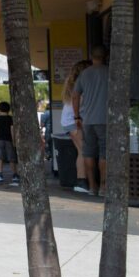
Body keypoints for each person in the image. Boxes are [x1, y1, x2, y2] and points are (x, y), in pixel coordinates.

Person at [72, 46, 109, 196]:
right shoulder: (109, 71)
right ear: (105, 56)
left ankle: (92, 187)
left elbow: (75, 95)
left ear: (91, 56)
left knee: (88, 153)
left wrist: (76, 117)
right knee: (104, 154)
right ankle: (103, 187)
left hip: (87, 120)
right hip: (105, 119)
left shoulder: (84, 74)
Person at [61, 59, 92, 193]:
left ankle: (82, 182)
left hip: (69, 121)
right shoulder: (82, 84)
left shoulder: (71, 82)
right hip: (74, 121)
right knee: (84, 151)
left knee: (82, 151)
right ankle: (82, 182)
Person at [0, 101, 18, 185]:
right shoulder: (10, 118)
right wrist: (14, 141)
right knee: (12, 158)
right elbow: (12, 129)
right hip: (9, 140)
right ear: (8, 109)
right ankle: (15, 175)